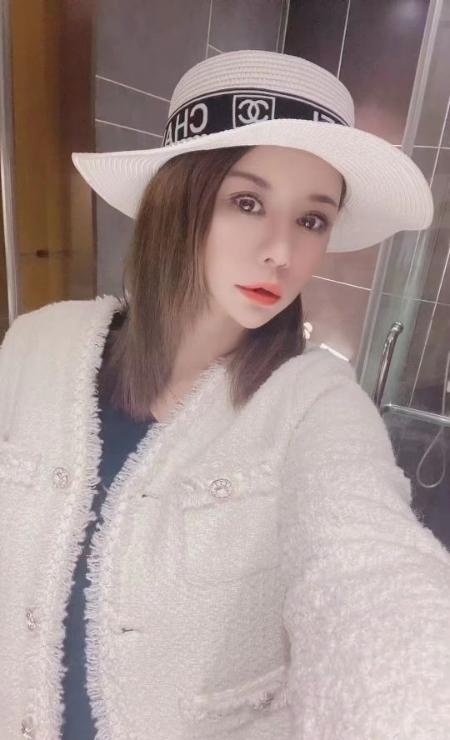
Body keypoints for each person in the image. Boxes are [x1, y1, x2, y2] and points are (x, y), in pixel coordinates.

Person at [1, 49, 449, 740]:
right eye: (247, 202)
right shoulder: (37, 345)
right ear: (177, 198)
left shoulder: (315, 404)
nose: (281, 251)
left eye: (312, 220)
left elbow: (371, 571)